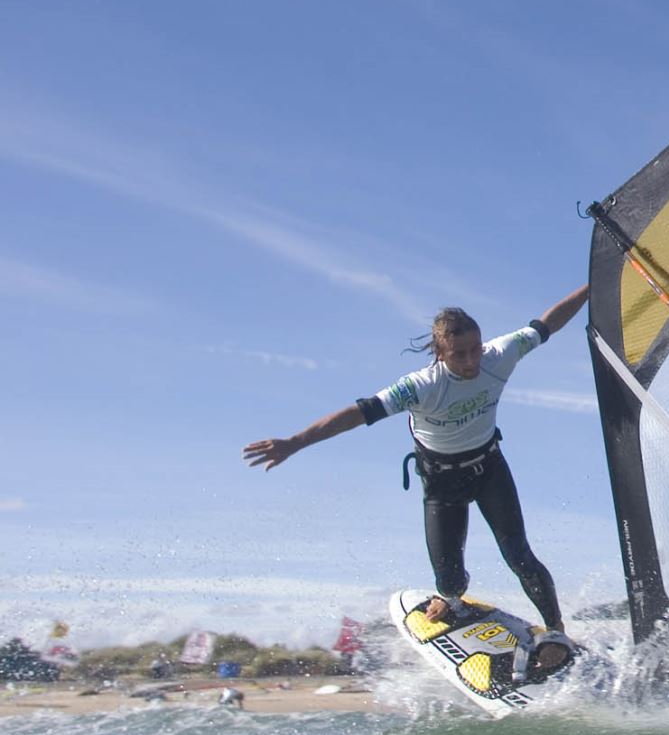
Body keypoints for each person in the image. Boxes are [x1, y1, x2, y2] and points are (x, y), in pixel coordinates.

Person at [244, 286, 589, 667]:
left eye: (475, 348)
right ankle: (452, 596)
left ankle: (556, 629)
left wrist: (596, 282)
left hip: (489, 468)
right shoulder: (421, 386)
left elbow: (546, 324)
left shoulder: (499, 354)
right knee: (449, 578)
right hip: (442, 483)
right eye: (460, 354)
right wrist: (295, 442)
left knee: (519, 556)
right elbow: (357, 414)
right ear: (440, 354)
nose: (472, 360)